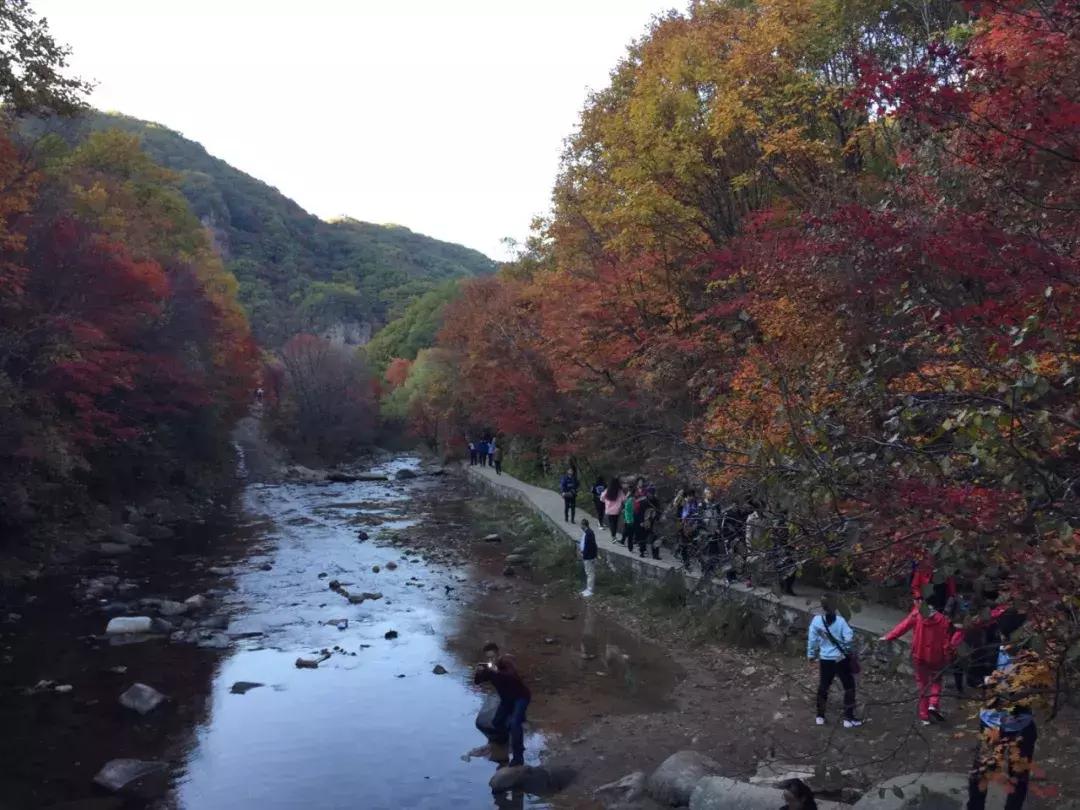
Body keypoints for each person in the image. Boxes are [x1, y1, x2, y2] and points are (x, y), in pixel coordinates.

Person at [967, 646, 1040, 810]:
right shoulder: (988, 649)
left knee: (1019, 776)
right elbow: (971, 677)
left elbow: (1041, 686)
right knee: (981, 773)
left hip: (1021, 726)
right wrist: (988, 681)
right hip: (990, 724)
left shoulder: (1031, 656)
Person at [881, 590, 956, 725]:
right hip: (936, 657)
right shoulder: (943, 620)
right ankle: (933, 705)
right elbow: (946, 642)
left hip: (919, 655)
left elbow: (903, 626)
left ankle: (924, 715)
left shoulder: (917, 615)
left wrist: (889, 636)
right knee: (936, 681)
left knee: (923, 685)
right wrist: (948, 657)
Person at [807, 594, 863, 728]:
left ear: (823, 607)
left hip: (825, 659)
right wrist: (845, 648)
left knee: (824, 687)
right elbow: (849, 638)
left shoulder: (816, 621)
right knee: (849, 687)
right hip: (840, 659)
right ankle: (848, 718)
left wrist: (811, 655)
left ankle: (820, 716)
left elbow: (812, 640)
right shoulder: (840, 621)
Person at [474, 642, 531, 767]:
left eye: (493, 657)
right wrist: (478, 672)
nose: (491, 660)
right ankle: (505, 742)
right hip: (506, 700)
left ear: (498, 655)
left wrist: (497, 671)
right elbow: (478, 681)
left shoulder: (506, 662)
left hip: (520, 697)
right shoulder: (489, 669)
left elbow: (512, 675)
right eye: (488, 658)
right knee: (496, 722)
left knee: (515, 724)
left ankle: (518, 757)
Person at [638, 486, 662, 559]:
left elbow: (659, 511)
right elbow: (640, 512)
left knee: (655, 538)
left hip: (653, 522)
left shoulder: (656, 501)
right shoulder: (643, 501)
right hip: (645, 521)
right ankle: (642, 552)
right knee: (643, 537)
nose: (651, 494)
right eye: (649, 493)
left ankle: (655, 555)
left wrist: (657, 518)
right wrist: (641, 521)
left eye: (652, 493)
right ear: (647, 493)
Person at [579, 518, 597, 597]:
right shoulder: (587, 532)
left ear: (583, 525)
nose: (580, 526)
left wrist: (585, 555)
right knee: (588, 572)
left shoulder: (589, 533)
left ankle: (590, 590)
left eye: (581, 525)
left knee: (590, 573)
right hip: (588, 556)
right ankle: (588, 588)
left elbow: (590, 546)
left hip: (589, 557)